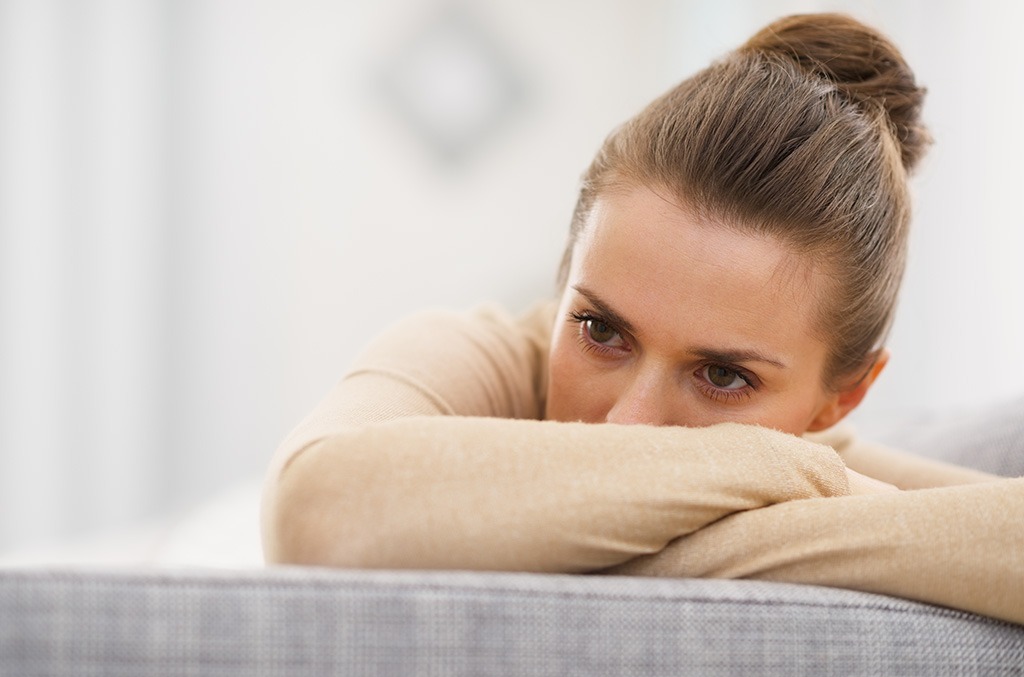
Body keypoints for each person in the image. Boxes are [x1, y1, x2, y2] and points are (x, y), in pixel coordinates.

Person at [262, 13, 1024, 624]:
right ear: (565, 280)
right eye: (600, 330)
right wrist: (784, 472)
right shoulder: (481, 354)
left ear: (840, 399)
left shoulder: (819, 444)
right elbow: (316, 514)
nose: (627, 425)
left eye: (722, 376)